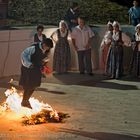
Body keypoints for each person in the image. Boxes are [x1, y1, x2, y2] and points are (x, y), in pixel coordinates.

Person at [19, 38, 53, 108]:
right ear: (44, 44)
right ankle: (24, 101)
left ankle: (26, 100)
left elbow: (44, 59)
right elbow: (23, 55)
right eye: (47, 47)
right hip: (28, 69)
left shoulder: (46, 50)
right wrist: (29, 64)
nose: (47, 49)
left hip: (36, 69)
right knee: (28, 85)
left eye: (49, 48)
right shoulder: (34, 48)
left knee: (34, 85)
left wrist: (44, 66)